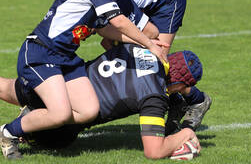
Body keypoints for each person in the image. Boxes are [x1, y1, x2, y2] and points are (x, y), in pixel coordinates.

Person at [0, 0, 167, 159]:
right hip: (41, 53)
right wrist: (149, 45)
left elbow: (107, 30)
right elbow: (118, 22)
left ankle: (35, 113)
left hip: (65, 58)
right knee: (59, 113)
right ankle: (8, 133)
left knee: (88, 111)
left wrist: (142, 42)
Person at [0, 44, 204, 159]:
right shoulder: (154, 95)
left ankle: (34, 111)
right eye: (184, 88)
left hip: (59, 81)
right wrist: (187, 132)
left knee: (8, 88)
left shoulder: (139, 47)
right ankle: (30, 126)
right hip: (68, 115)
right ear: (178, 84)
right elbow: (153, 151)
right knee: (62, 141)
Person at [112, 0, 212, 134]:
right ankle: (176, 102)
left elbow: (150, 33)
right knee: (121, 51)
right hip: (145, 1)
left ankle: (198, 100)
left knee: (157, 63)